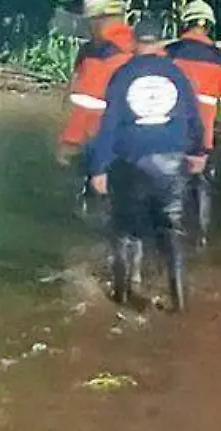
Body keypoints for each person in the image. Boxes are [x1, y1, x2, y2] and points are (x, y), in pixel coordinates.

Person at [87, 18, 207, 311]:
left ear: (135, 42)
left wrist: (99, 167)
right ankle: (179, 304)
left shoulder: (122, 75)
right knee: (172, 232)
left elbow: (109, 126)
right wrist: (198, 152)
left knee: (126, 230)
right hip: (172, 163)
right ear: (161, 42)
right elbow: (194, 118)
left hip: (131, 162)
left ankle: (122, 296)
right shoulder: (177, 74)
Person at [162, 0, 221, 242]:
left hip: (168, 136)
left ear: (185, 24)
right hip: (201, 140)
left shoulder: (167, 54)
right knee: (201, 184)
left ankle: (169, 234)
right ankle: (201, 235)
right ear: (209, 27)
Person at [54, 0, 137, 168]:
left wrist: (69, 144)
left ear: (97, 20)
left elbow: (84, 107)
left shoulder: (99, 54)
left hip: (104, 154)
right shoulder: (144, 49)